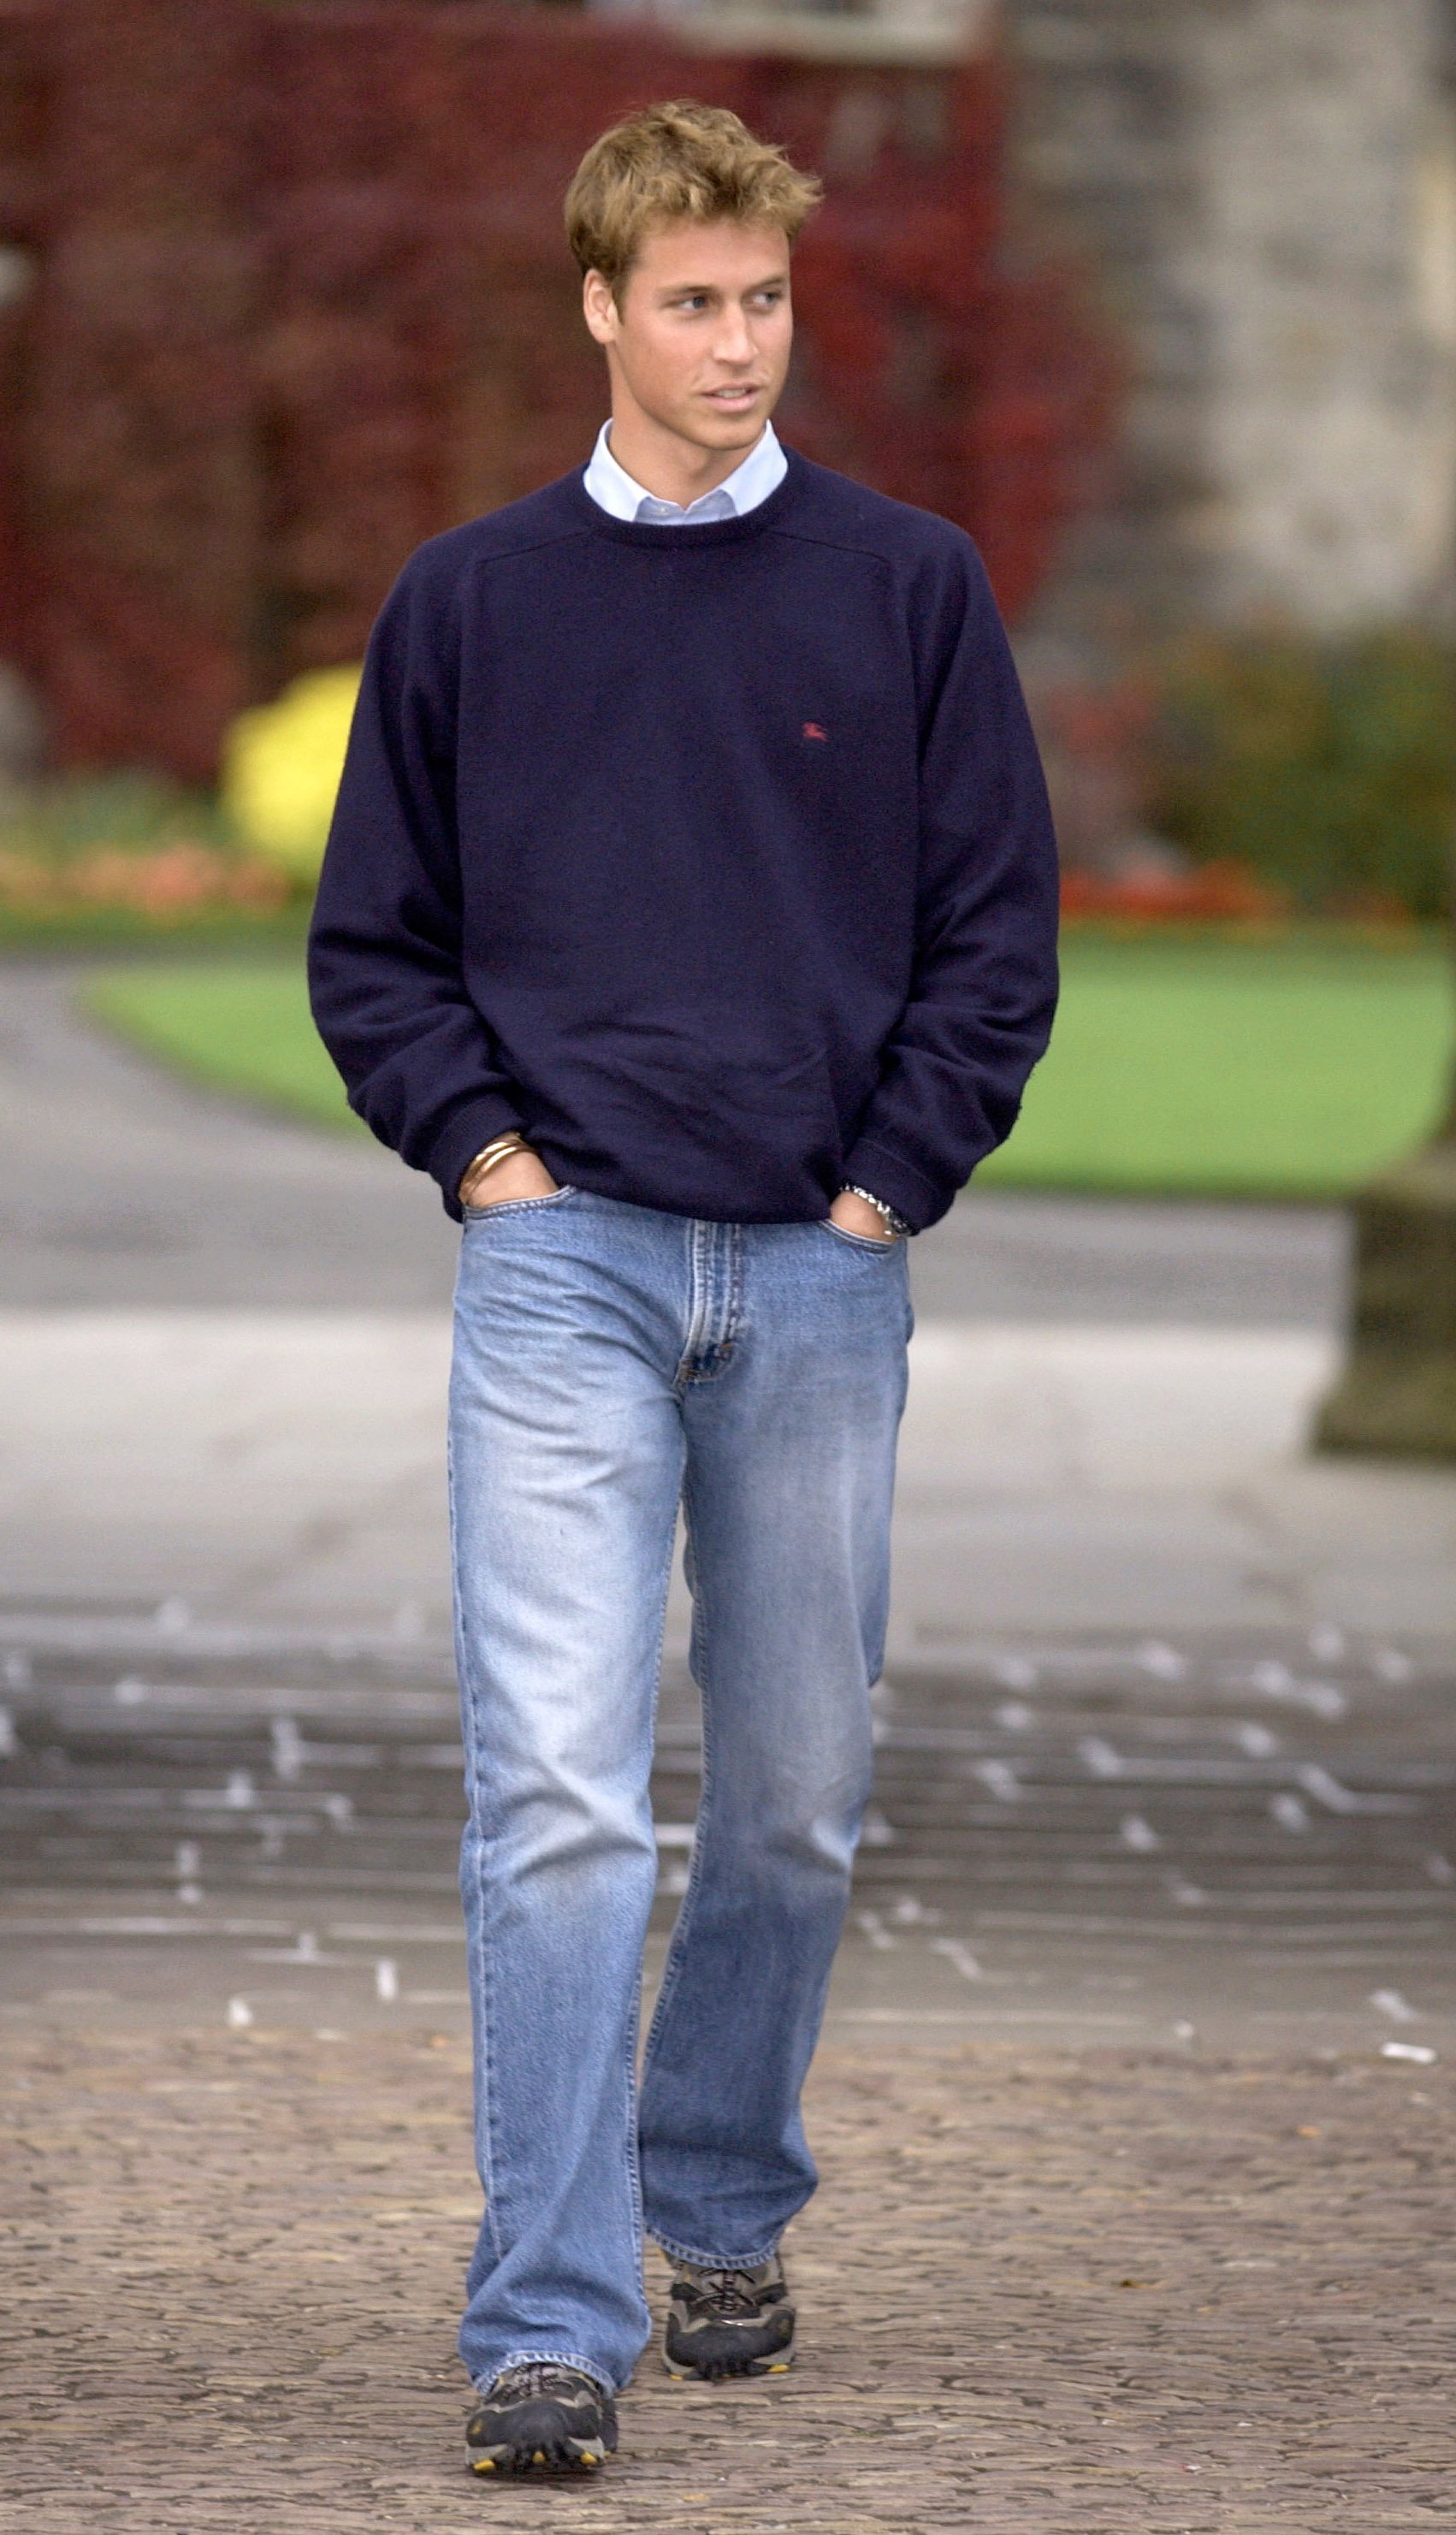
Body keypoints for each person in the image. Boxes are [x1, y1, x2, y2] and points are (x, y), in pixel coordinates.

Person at [309, 98, 1058, 2477]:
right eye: (700, 304)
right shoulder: (468, 603)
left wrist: (881, 1189)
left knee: (803, 1797)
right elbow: (375, 946)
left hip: (820, 1266)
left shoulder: (908, 586)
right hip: (566, 1270)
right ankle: (551, 2312)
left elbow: (994, 934)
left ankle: (718, 2185)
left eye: (770, 302)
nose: (744, 346)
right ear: (605, 311)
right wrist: (493, 1166)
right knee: (553, 1792)